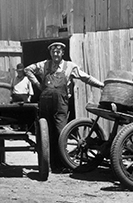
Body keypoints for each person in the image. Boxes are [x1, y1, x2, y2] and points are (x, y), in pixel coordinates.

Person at [24, 42, 104, 173]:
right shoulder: (44, 64)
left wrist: (100, 85)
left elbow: (86, 78)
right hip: (45, 102)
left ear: (62, 53)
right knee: (46, 133)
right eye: (53, 52)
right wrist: (38, 85)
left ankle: (62, 164)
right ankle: (48, 164)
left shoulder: (70, 66)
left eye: (58, 52)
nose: (55, 54)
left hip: (61, 102)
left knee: (61, 132)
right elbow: (28, 70)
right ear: (50, 53)